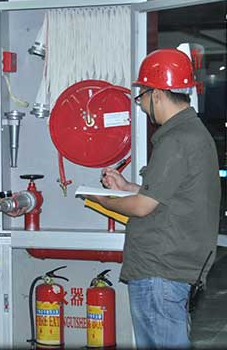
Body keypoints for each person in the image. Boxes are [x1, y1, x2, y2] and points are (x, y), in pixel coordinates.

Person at [89, 48, 220, 349]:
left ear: (157, 94)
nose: (142, 104)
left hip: (159, 272)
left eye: (142, 96)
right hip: (171, 271)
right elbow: (166, 195)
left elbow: (143, 206)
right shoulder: (193, 134)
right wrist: (126, 186)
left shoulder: (176, 139)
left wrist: (100, 198)